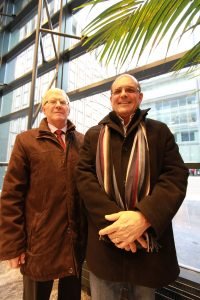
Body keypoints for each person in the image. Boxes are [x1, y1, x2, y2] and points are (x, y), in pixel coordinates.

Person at [76, 74, 189, 300]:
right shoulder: (94, 135)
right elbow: (84, 178)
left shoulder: (159, 132)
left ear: (140, 96)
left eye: (129, 89)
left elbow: (175, 176)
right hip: (105, 247)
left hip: (145, 248)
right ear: (111, 99)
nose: (123, 94)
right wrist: (120, 225)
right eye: (117, 91)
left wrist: (143, 217)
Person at [0, 88, 86, 300]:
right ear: (44, 108)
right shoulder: (26, 141)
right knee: (35, 295)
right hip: (39, 240)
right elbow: (12, 196)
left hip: (74, 238)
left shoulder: (83, 142)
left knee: (71, 294)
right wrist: (12, 245)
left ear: (69, 108)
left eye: (63, 102)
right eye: (52, 101)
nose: (58, 105)